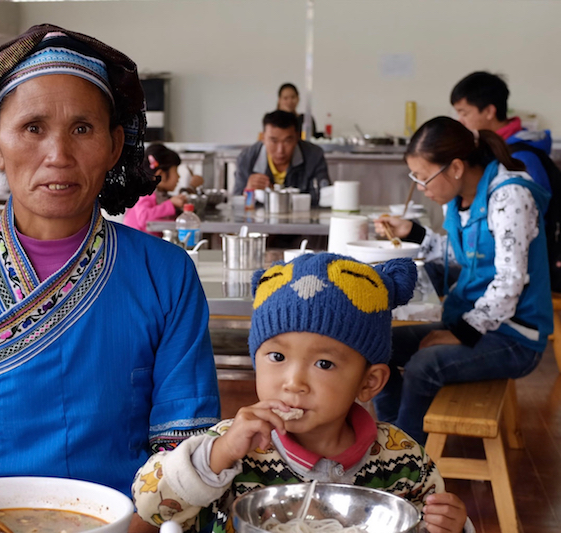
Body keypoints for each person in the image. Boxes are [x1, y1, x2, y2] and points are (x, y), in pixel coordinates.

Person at [0, 24, 221, 524]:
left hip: (125, 523)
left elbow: (183, 441)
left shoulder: (166, 275)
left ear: (113, 144)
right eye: (33, 127)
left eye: (82, 128)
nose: (58, 155)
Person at [133, 253, 472, 533]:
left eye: (324, 364)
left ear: (369, 383)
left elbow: (427, 522)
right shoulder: (232, 449)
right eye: (277, 357)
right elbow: (150, 508)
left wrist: (453, 527)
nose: (293, 382)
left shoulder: (403, 461)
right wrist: (216, 456)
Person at [372, 117, 552, 445]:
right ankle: (393, 441)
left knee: (422, 366)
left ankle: (407, 462)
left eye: (424, 178)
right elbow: (460, 255)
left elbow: (509, 281)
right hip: (474, 322)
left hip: (515, 336)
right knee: (378, 347)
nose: (421, 187)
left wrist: (458, 334)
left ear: (455, 167)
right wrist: (411, 232)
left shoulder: (510, 196)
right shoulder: (459, 200)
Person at [451, 71, 552, 195]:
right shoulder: (486, 148)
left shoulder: (522, 156)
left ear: (489, 111)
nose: (460, 120)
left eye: (464, 113)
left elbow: (538, 207)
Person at [234, 110, 330, 207]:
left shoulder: (313, 156)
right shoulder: (247, 159)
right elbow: (236, 206)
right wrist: (248, 192)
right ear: (263, 138)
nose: (280, 150)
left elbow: (324, 198)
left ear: (297, 137)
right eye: (273, 141)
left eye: (287, 141)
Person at [123, 144, 187, 234]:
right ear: (160, 175)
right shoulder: (146, 193)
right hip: (139, 245)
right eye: (175, 171)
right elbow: (144, 218)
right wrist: (171, 204)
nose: (178, 176)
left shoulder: (159, 194)